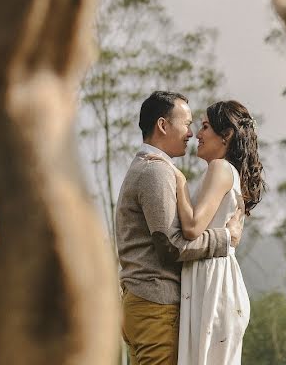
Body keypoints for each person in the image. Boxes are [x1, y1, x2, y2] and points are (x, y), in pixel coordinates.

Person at [115, 91, 243, 365]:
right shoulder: (156, 172)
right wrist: (225, 239)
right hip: (156, 305)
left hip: (144, 303)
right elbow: (170, 244)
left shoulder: (152, 168)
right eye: (186, 123)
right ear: (163, 125)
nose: (191, 132)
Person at [149, 99, 265, 365]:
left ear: (226, 135)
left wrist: (177, 180)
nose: (197, 135)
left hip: (214, 282)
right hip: (211, 277)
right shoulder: (227, 172)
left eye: (205, 127)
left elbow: (191, 228)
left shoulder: (220, 168)